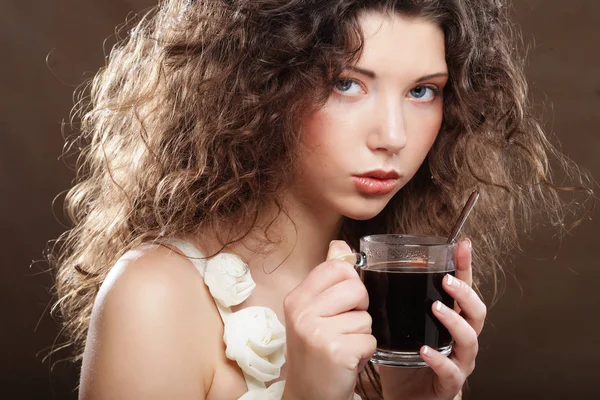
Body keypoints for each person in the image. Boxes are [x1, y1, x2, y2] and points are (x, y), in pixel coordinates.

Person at [50, 0, 593, 399]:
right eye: (347, 83)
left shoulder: (391, 296)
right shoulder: (155, 297)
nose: (394, 136)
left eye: (422, 90)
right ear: (263, 83)